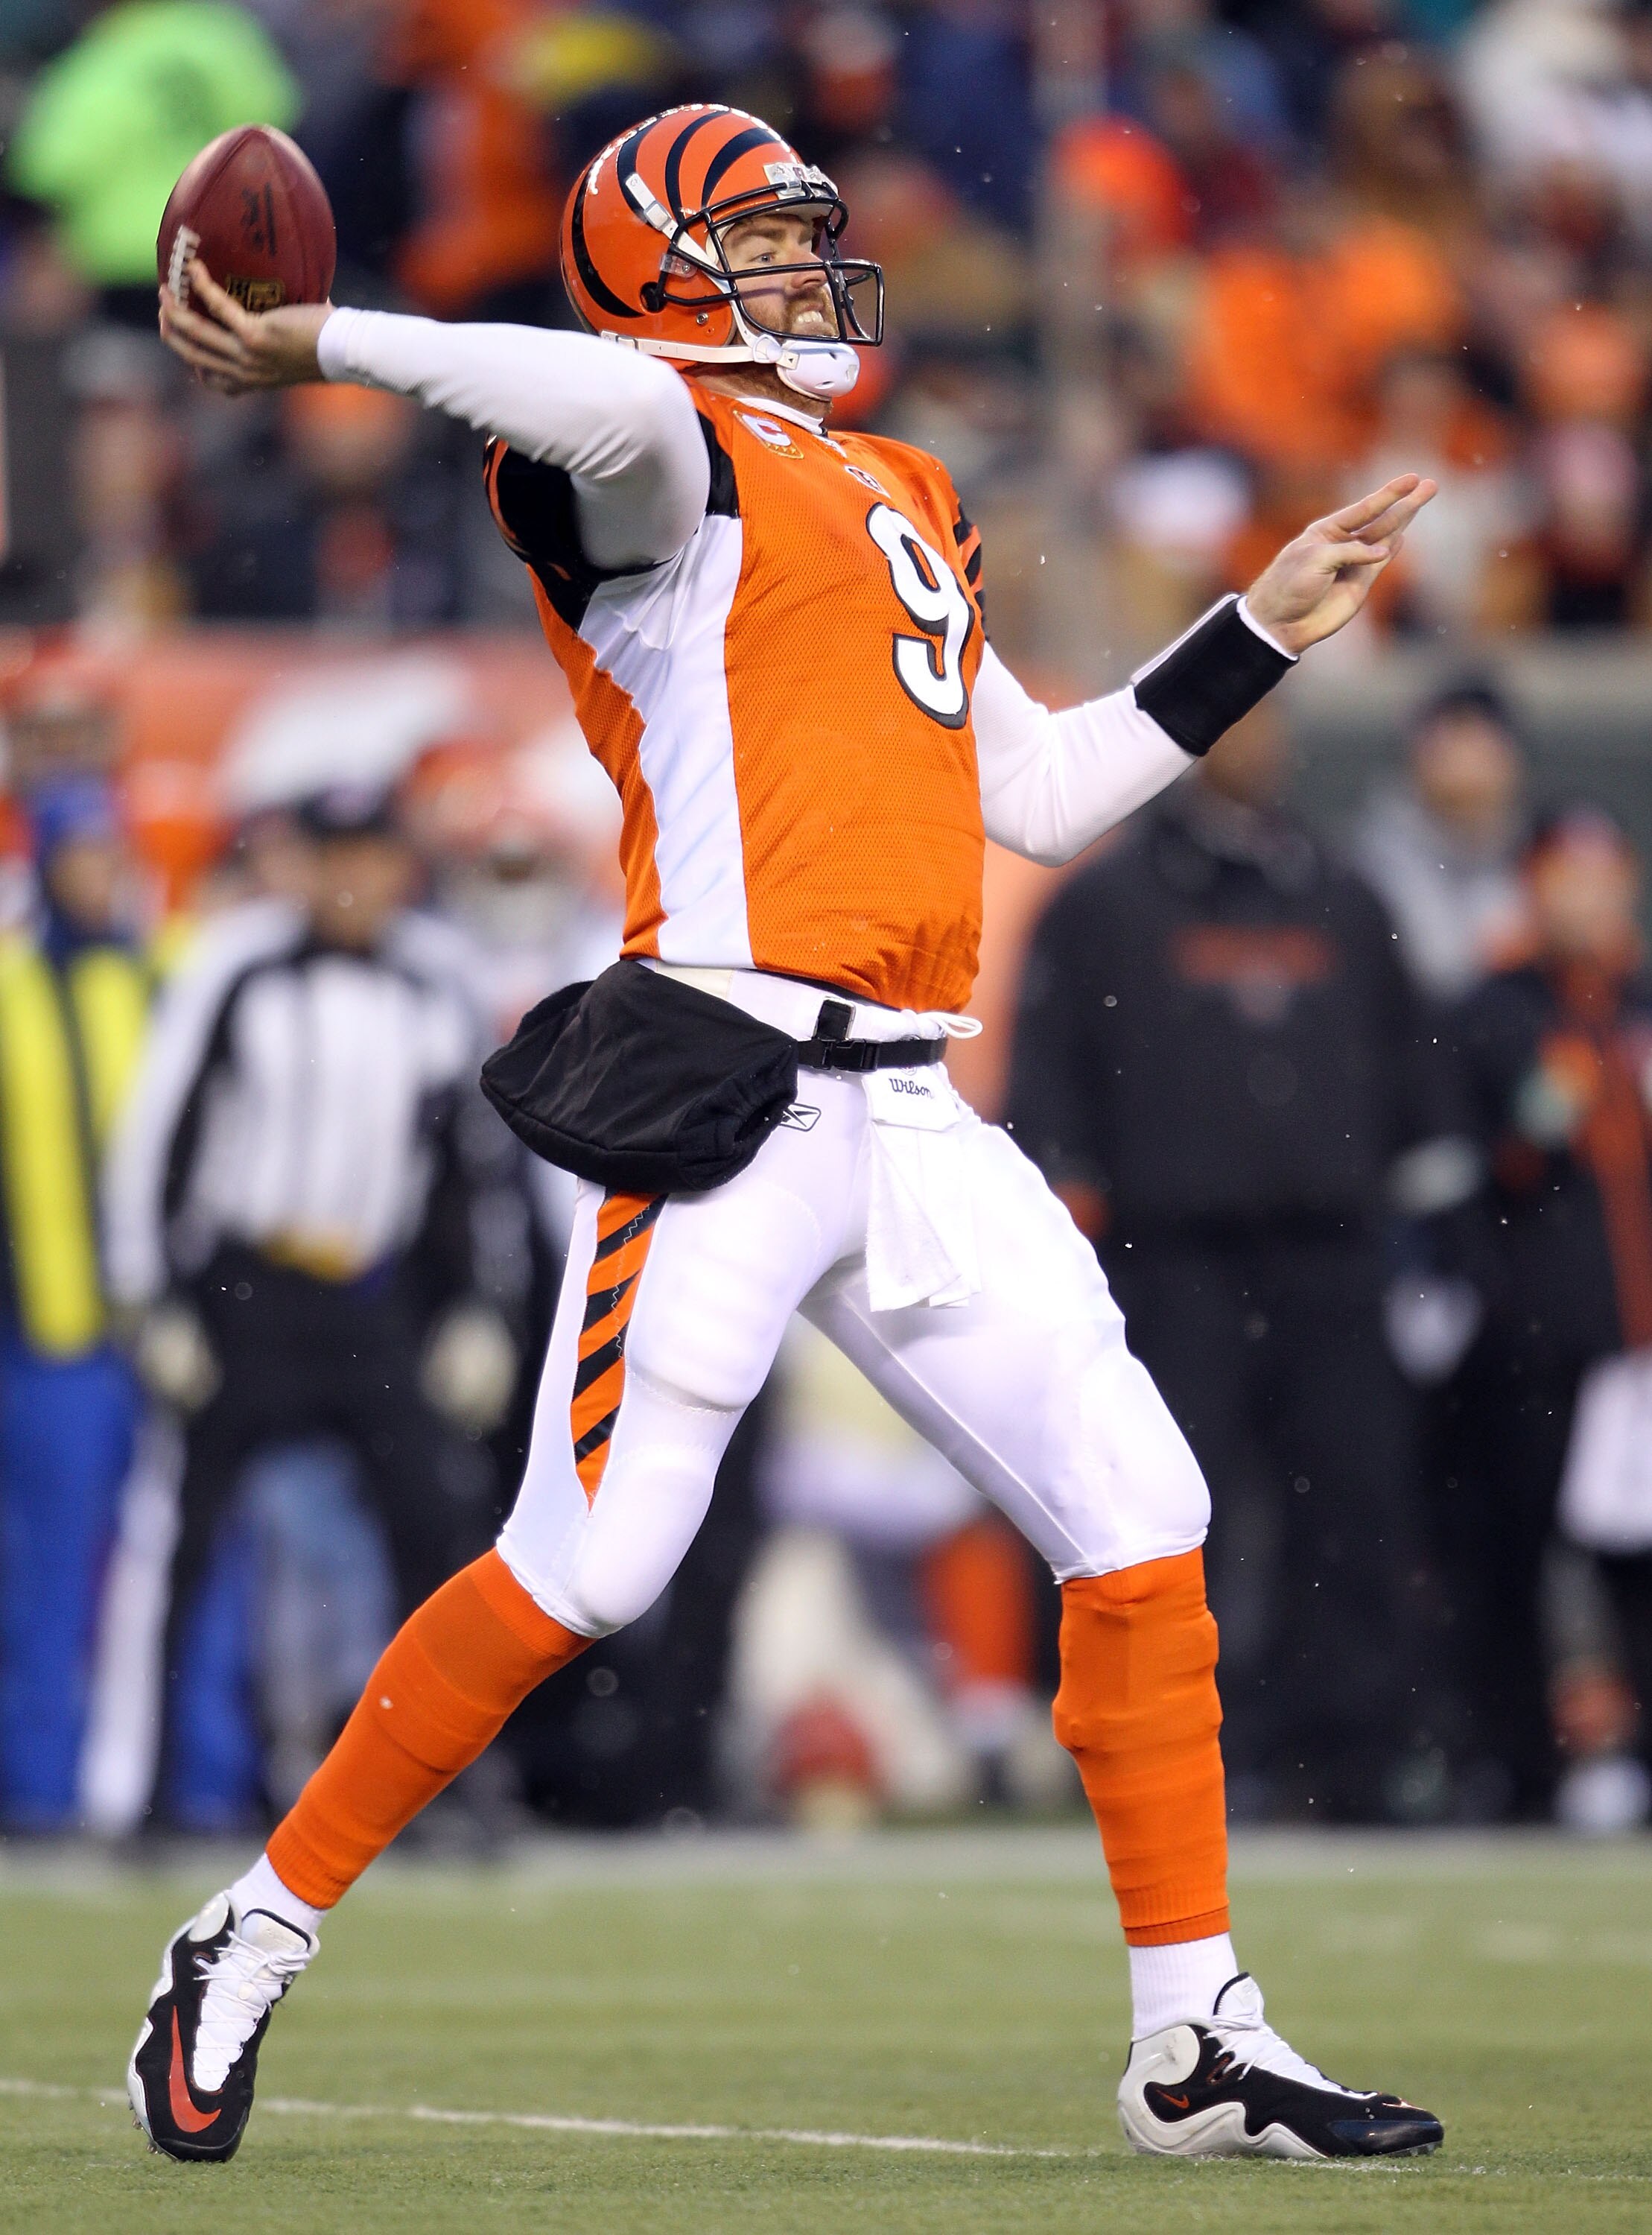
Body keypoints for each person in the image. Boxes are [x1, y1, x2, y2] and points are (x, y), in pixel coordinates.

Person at [133, 102, 1441, 2166]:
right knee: (594, 1568)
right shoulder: (650, 451)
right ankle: (246, 1935)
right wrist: (331, 340)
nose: (804, 272)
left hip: (911, 1095)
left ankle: (1192, 2037)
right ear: (652, 265)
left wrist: (1256, 630)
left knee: (1140, 1514)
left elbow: (1034, 790)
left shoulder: (897, 477)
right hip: (731, 1082)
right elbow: (591, 392)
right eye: (755, 241)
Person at [1006, 705, 1470, 1820]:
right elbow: (1045, 1090)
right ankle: (1164, 1761)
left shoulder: (1346, 898)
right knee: (1160, 1516)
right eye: (1236, 722)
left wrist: (1431, 1242)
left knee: (1350, 1510)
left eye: (1271, 723)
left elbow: (1416, 1085)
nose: (1256, 743)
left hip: (1331, 1257)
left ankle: (1345, 1758)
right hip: (1172, 1259)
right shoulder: (1108, 903)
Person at [104, 784, 512, 1826]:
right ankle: (149, 1788)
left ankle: (450, 1792)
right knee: (186, 1540)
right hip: (250, 1288)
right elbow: (160, 1126)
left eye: (370, 857)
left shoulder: (433, 984)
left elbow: (468, 1157)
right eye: (332, 856)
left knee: (437, 1537)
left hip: (371, 1298)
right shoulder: (237, 969)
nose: (351, 881)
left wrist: (475, 1306)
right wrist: (154, 1297)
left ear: (397, 869)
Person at [1449, 807, 1652, 1816]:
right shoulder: (1494, 1008)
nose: (1586, 896)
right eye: (1564, 876)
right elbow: (1476, 1165)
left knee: (1636, 1568)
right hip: (1539, 1339)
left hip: (1639, 1341)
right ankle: (1518, 1765)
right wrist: (1540, 1110)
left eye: (1601, 874)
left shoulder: (1638, 1000)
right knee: (1517, 1557)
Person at [0, 776, 148, 1830]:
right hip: (46, 1333)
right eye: (80, 856)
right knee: (48, 1572)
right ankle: (40, 1791)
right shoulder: (12, 990)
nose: (98, 876)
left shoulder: (160, 981)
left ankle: (195, 1783)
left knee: (192, 1566)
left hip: (156, 1328)